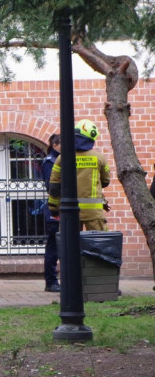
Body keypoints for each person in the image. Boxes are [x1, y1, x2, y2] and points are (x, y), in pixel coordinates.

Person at [48, 119, 112, 232]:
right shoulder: (99, 158)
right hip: (94, 213)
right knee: (98, 245)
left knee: (69, 247)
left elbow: (54, 186)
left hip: (70, 212)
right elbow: (105, 182)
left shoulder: (62, 158)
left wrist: (53, 208)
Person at [41, 133, 61, 293]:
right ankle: (51, 281)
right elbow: (51, 185)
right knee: (53, 248)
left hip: (63, 209)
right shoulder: (50, 162)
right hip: (56, 209)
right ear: (55, 145)